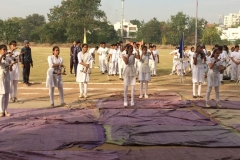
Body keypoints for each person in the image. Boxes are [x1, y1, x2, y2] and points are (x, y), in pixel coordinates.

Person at [0, 44, 13, 117]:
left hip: (7, 76)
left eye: (6, 49)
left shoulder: (8, 58)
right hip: (1, 76)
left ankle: (5, 110)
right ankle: (1, 110)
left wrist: (11, 66)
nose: (5, 51)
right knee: (2, 94)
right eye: (3, 49)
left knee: (7, 93)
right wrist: (2, 56)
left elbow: (10, 69)